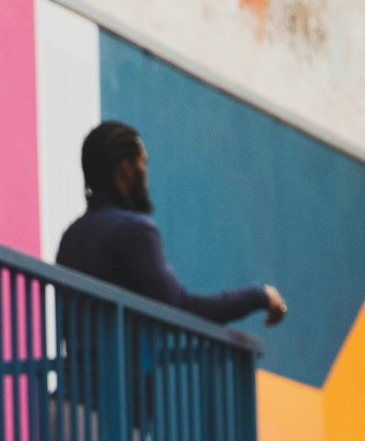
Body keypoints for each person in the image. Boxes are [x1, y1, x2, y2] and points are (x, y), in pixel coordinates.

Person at [57, 120, 288, 327]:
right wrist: (259, 296)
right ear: (126, 168)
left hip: (78, 374)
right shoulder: (134, 229)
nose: (146, 175)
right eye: (143, 163)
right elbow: (181, 308)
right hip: (125, 372)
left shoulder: (70, 236)